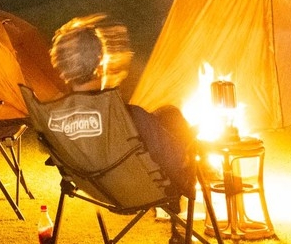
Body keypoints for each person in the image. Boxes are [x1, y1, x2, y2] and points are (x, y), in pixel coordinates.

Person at [49, 15, 197, 195]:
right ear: (100, 61)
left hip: (96, 190)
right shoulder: (129, 117)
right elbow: (176, 159)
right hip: (141, 191)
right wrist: (192, 140)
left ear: (60, 67)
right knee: (173, 118)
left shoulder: (54, 117)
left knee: (166, 115)